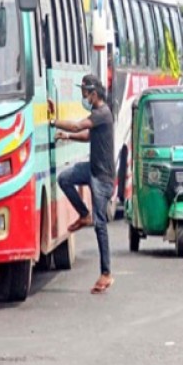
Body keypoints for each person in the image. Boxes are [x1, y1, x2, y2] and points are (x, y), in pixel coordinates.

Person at [50, 74, 116, 294]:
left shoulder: (102, 113)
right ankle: (83, 214)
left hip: (102, 177)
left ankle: (106, 273)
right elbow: (87, 136)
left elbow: (79, 127)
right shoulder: (99, 116)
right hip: (92, 169)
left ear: (93, 94)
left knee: (100, 225)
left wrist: (53, 121)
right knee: (64, 179)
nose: (84, 98)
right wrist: (66, 137)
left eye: (85, 94)